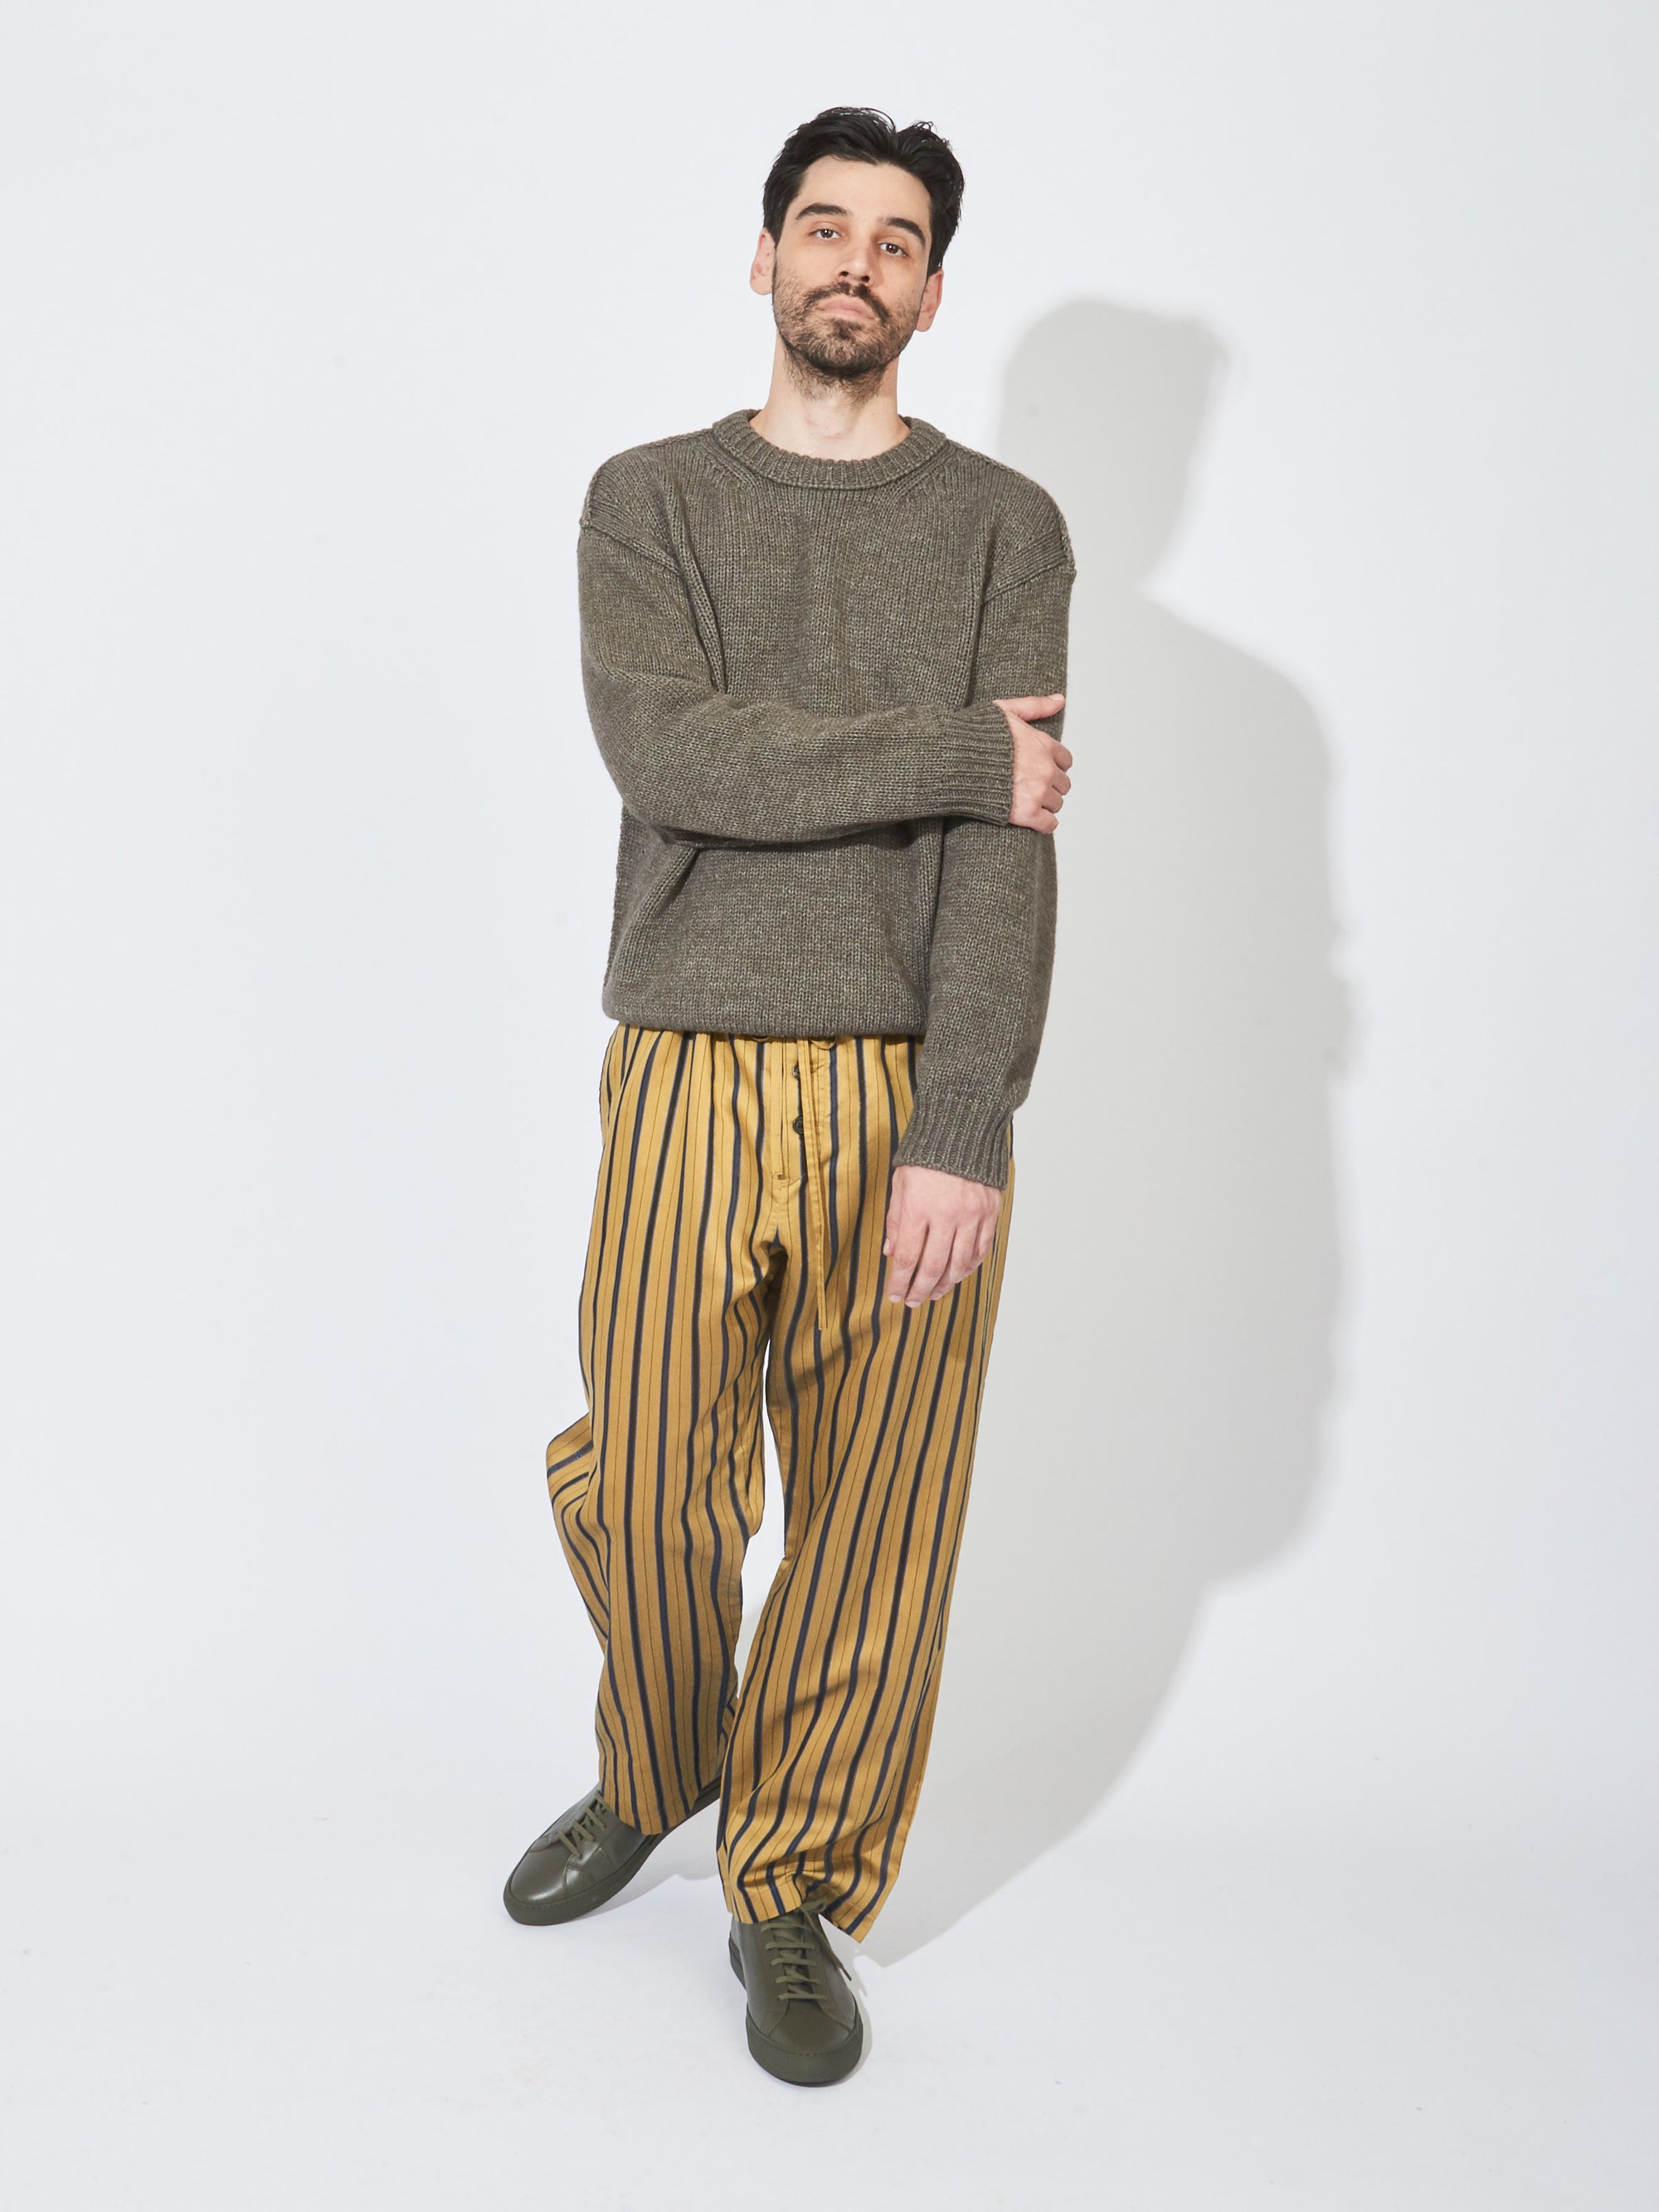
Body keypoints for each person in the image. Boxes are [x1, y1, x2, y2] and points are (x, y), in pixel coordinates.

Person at [502, 105, 1076, 2087]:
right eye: (822, 228)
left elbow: (1009, 858)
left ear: (932, 289)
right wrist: (962, 748)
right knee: (647, 1474)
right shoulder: (649, 500)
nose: (854, 263)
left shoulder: (1005, 526)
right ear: (763, 259)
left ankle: (790, 1876)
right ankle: (662, 1754)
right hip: (684, 1053)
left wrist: (965, 1122)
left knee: (875, 1507)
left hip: (906, 1074)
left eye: (893, 240)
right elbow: (681, 759)